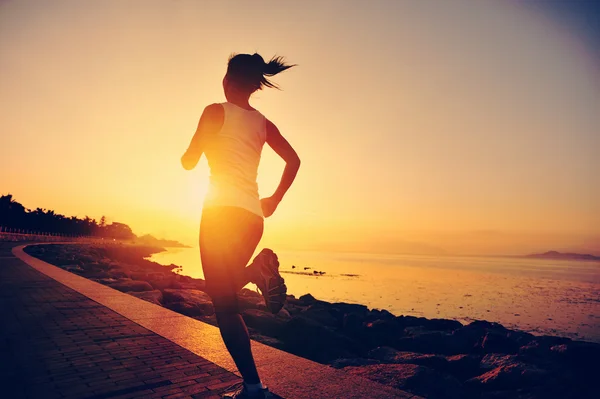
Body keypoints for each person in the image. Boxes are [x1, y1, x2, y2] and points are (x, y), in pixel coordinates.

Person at [181, 53, 300, 399]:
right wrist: (274, 200)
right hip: (252, 217)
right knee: (227, 297)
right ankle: (253, 388)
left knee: (222, 304)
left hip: (220, 214)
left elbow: (188, 162)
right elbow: (294, 160)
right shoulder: (263, 122)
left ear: (227, 81)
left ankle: (252, 387)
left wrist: (198, 150)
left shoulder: (214, 111)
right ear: (254, 86)